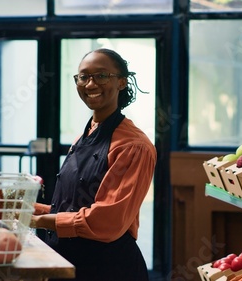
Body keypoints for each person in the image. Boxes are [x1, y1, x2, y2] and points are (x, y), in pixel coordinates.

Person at [30, 48, 157, 281]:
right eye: (83, 76)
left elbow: (107, 221)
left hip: (108, 268)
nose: (90, 84)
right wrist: (26, 209)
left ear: (121, 82)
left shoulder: (133, 146)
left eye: (101, 76)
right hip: (69, 263)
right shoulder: (85, 135)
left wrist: (39, 221)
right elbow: (73, 209)